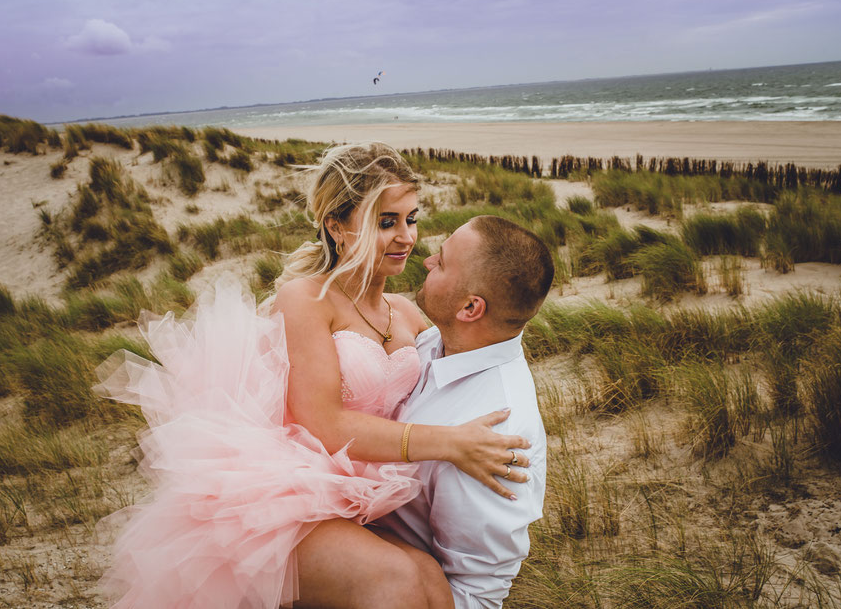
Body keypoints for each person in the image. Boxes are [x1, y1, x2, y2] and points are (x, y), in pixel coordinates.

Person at [93, 142, 533, 609]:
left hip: (378, 496)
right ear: (337, 226)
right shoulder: (306, 300)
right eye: (385, 222)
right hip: (299, 490)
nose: (407, 237)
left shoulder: (406, 313)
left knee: (429, 580)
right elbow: (324, 423)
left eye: (411, 218)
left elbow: (470, 347)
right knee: (400, 582)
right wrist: (451, 443)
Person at [378, 216, 553, 608]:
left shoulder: (496, 433)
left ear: (471, 307)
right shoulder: (435, 342)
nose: (425, 262)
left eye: (440, 263)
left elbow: (477, 592)